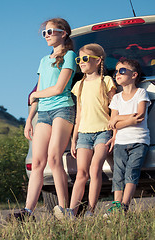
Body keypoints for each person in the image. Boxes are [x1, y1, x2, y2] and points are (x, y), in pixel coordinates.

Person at [7, 18, 77, 222]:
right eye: (44, 33)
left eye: (50, 32)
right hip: (43, 113)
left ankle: (65, 210)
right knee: (37, 162)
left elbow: (58, 89)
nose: (46, 36)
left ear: (63, 33)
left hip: (62, 110)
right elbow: (38, 90)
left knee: (55, 159)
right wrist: (29, 119)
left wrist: (36, 96)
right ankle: (28, 212)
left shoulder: (70, 56)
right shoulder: (43, 60)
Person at [67, 43, 116, 219]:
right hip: (84, 134)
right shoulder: (79, 85)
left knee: (95, 170)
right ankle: (72, 211)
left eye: (85, 59)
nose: (81, 62)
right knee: (81, 173)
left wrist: (114, 132)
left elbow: (114, 109)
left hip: (103, 131)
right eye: (79, 59)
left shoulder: (106, 81)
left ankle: (90, 211)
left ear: (98, 61)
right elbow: (78, 115)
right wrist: (74, 139)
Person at [104, 58, 150, 217]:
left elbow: (140, 115)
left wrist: (119, 119)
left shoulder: (141, 93)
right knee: (118, 174)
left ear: (134, 75)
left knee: (132, 172)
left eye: (122, 71)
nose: (117, 74)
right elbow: (112, 123)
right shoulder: (116, 98)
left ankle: (124, 205)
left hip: (139, 141)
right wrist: (127, 120)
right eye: (116, 71)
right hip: (120, 142)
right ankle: (116, 205)